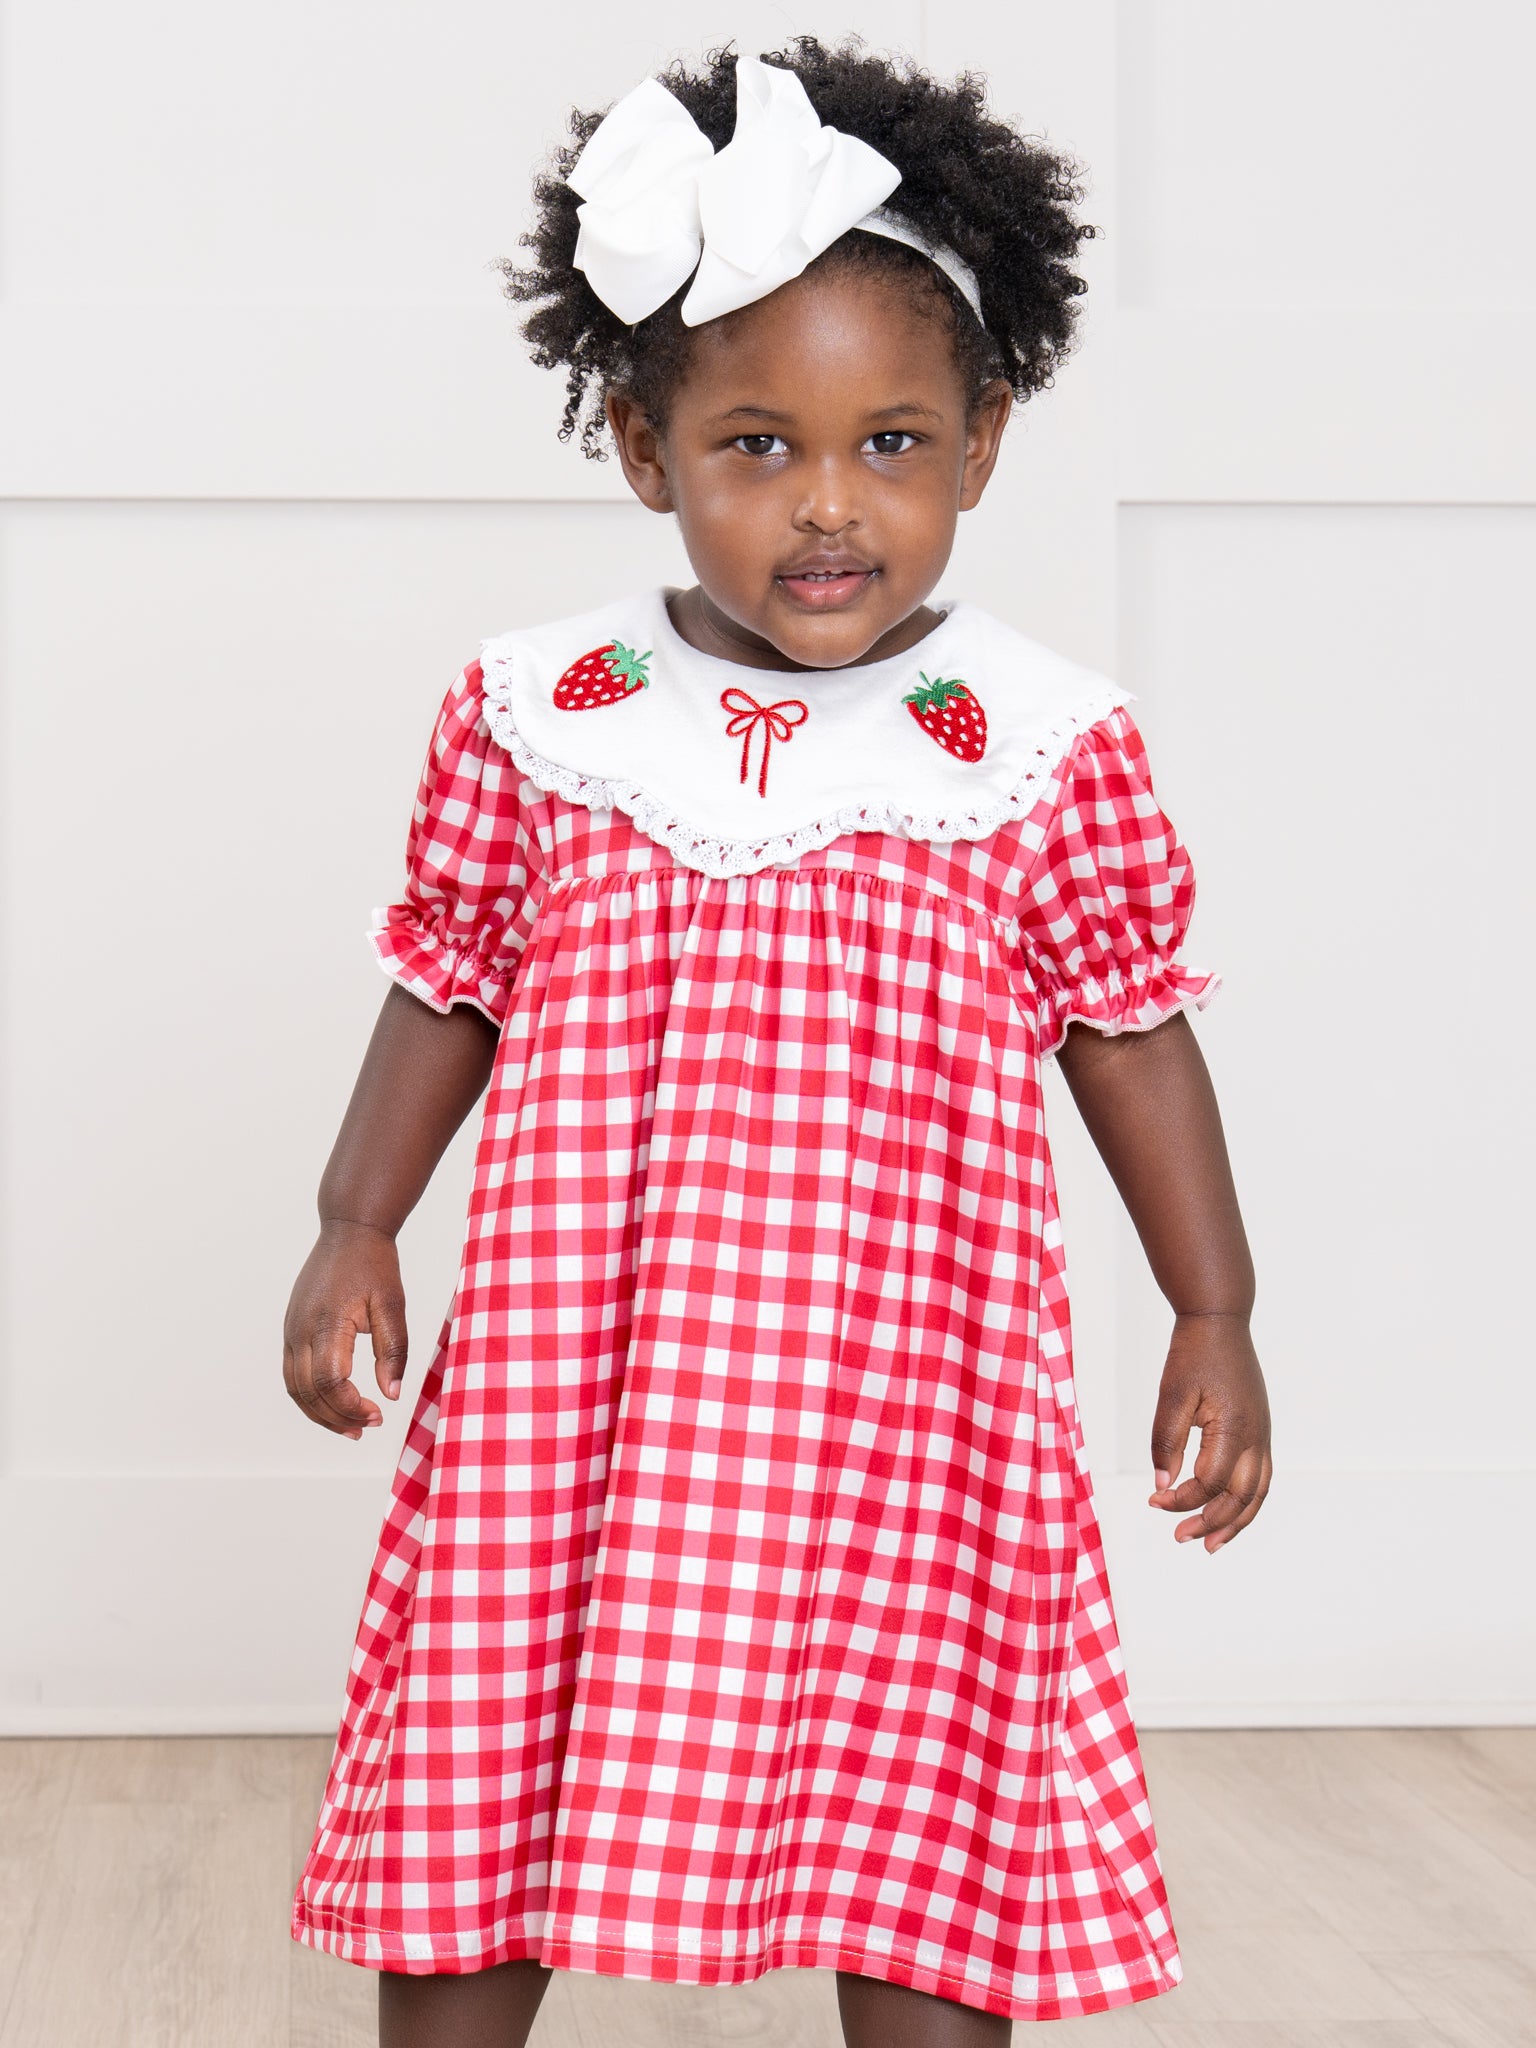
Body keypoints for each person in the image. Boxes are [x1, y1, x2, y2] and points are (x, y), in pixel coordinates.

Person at [284, 36, 1272, 2048]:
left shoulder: (1038, 747)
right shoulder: (545, 713)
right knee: (499, 1728)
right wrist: (354, 1219)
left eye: (891, 442)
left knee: (921, 1782)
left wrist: (1215, 1308)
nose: (830, 505)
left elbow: (1130, 1034)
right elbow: (449, 976)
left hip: (916, 1404)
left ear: (981, 444)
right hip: (582, 1380)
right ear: (648, 452)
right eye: (755, 445)